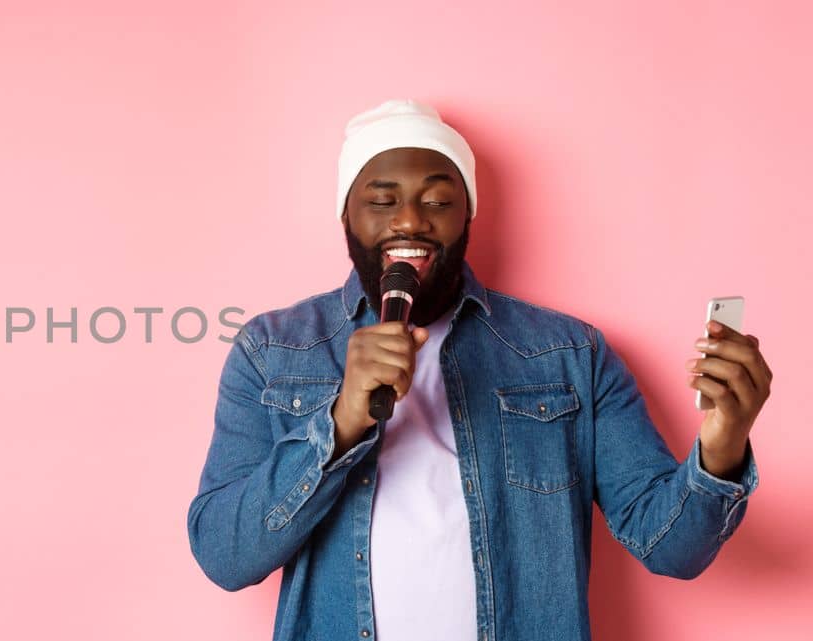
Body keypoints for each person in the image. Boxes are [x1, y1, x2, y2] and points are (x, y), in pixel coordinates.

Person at [185, 99, 769, 641]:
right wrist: (338, 424)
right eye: (382, 200)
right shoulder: (272, 349)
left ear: (468, 216)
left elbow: (670, 548)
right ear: (346, 215)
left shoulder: (570, 353)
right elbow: (224, 554)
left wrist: (722, 445)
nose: (409, 221)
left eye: (438, 200)